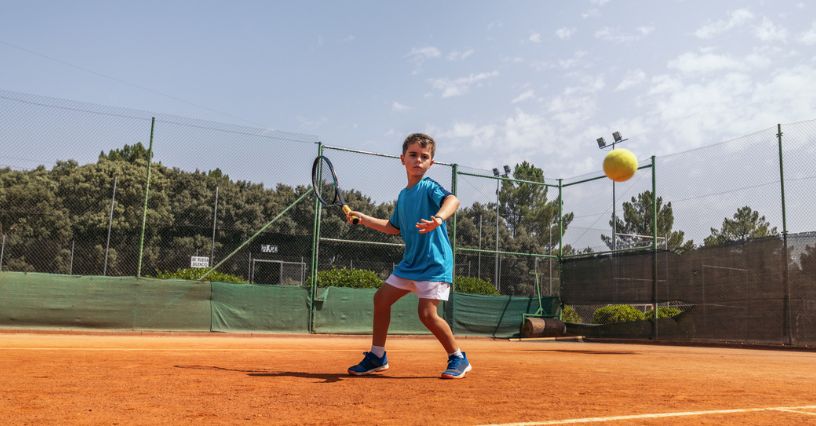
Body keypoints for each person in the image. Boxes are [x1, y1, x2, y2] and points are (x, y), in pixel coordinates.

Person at [345, 133, 471, 379]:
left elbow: (453, 200)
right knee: (381, 299)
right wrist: (364, 218)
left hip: (434, 262)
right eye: (413, 155)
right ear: (402, 159)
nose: (418, 160)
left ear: (431, 163)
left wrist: (438, 218)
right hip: (411, 263)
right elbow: (393, 227)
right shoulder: (403, 196)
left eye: (424, 157)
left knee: (426, 315)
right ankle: (377, 356)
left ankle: (458, 357)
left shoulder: (429, 187)